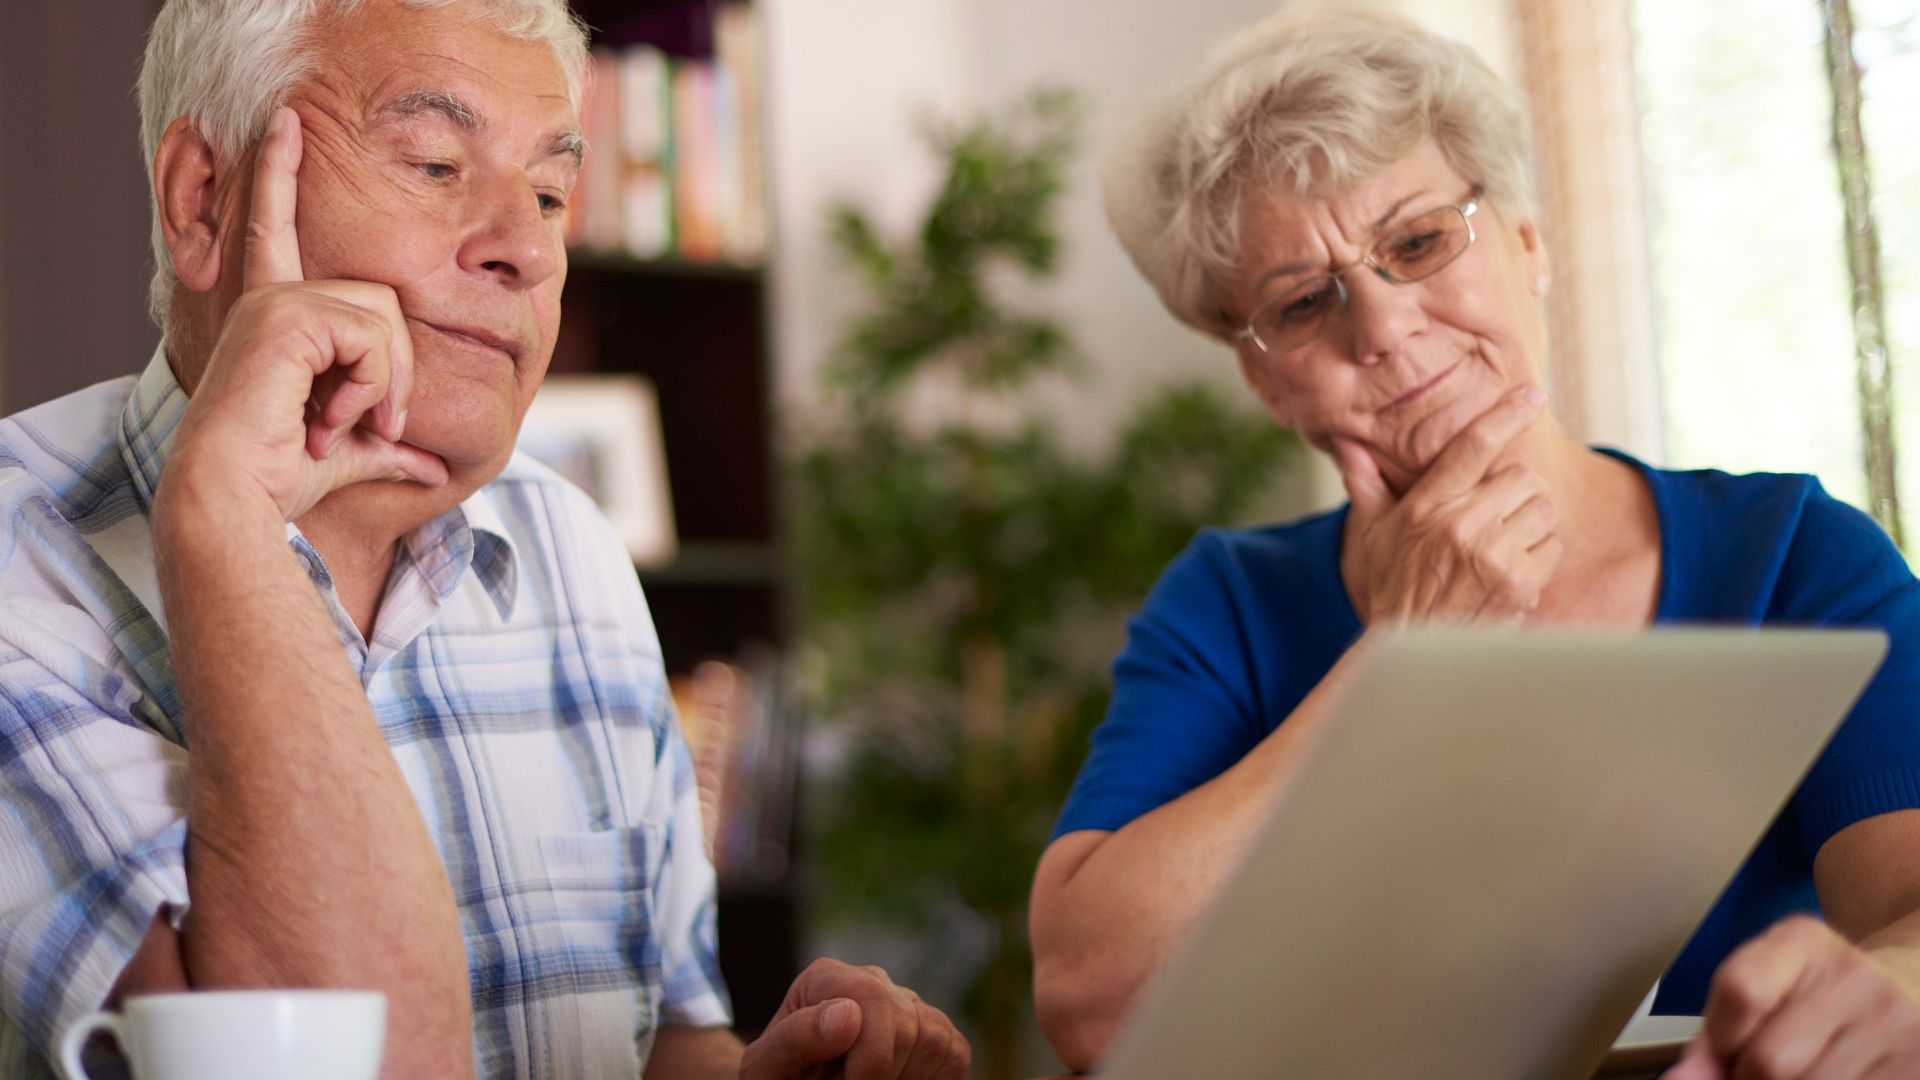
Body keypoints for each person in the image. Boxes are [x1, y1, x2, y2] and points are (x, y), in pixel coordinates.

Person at [0, 2, 970, 1078]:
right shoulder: (17, 563)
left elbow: (670, 1040)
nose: (527, 249)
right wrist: (225, 513)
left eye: (551, 194)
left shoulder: (570, 547)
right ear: (204, 200)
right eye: (433, 164)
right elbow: (347, 1063)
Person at [1028, 7, 1920, 1079]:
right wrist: (1398, 658)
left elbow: (1911, 914)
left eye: (1416, 241)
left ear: (1528, 244)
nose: (1386, 326)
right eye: (1307, 301)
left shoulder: (1791, 556)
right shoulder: (1228, 606)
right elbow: (1090, 1003)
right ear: (1265, 378)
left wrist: (1886, 992)